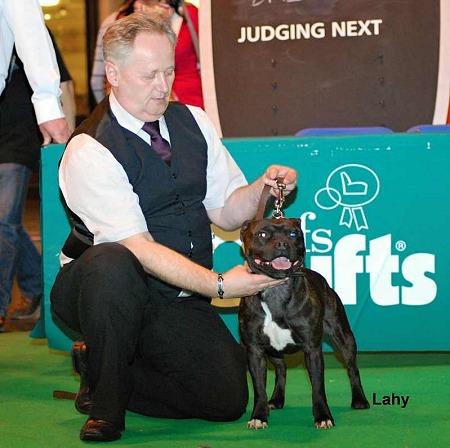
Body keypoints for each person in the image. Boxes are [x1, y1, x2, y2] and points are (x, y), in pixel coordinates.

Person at [51, 13, 297, 442]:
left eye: (169, 72)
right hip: (101, 293)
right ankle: (107, 409)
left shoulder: (194, 122)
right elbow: (138, 247)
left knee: (226, 400)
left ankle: (101, 369)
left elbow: (226, 210)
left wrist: (264, 186)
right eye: (149, 75)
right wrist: (220, 285)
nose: (163, 86)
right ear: (113, 74)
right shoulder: (89, 149)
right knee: (113, 263)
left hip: (174, 296)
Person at [0, 0, 72, 332]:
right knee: (6, 224)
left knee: (4, 222)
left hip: (18, 137)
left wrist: (52, 109)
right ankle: (32, 284)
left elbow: (32, 32)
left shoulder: (33, 36)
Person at [90, 0, 203, 108]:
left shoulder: (189, 14)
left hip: (189, 102)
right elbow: (98, 80)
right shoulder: (119, 20)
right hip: (143, 106)